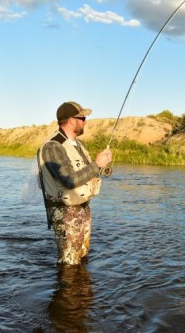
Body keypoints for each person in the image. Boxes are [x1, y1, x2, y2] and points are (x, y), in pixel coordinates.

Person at [38, 101, 112, 265]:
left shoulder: (78, 145)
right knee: (69, 263)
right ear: (71, 120)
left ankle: (82, 291)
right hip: (64, 212)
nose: (85, 121)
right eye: (82, 117)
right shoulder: (53, 146)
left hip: (82, 208)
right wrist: (97, 165)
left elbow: (85, 173)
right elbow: (69, 180)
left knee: (82, 257)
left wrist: (102, 166)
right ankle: (66, 290)